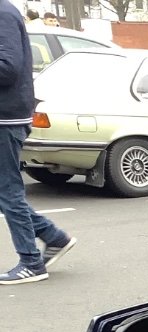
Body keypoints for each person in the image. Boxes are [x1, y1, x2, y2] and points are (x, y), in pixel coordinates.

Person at [0, 2, 75, 284]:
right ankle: (54, 237)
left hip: (6, 118)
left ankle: (31, 262)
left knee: (8, 192)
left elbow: (8, 68)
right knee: (4, 193)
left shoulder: (3, 14)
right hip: (6, 116)